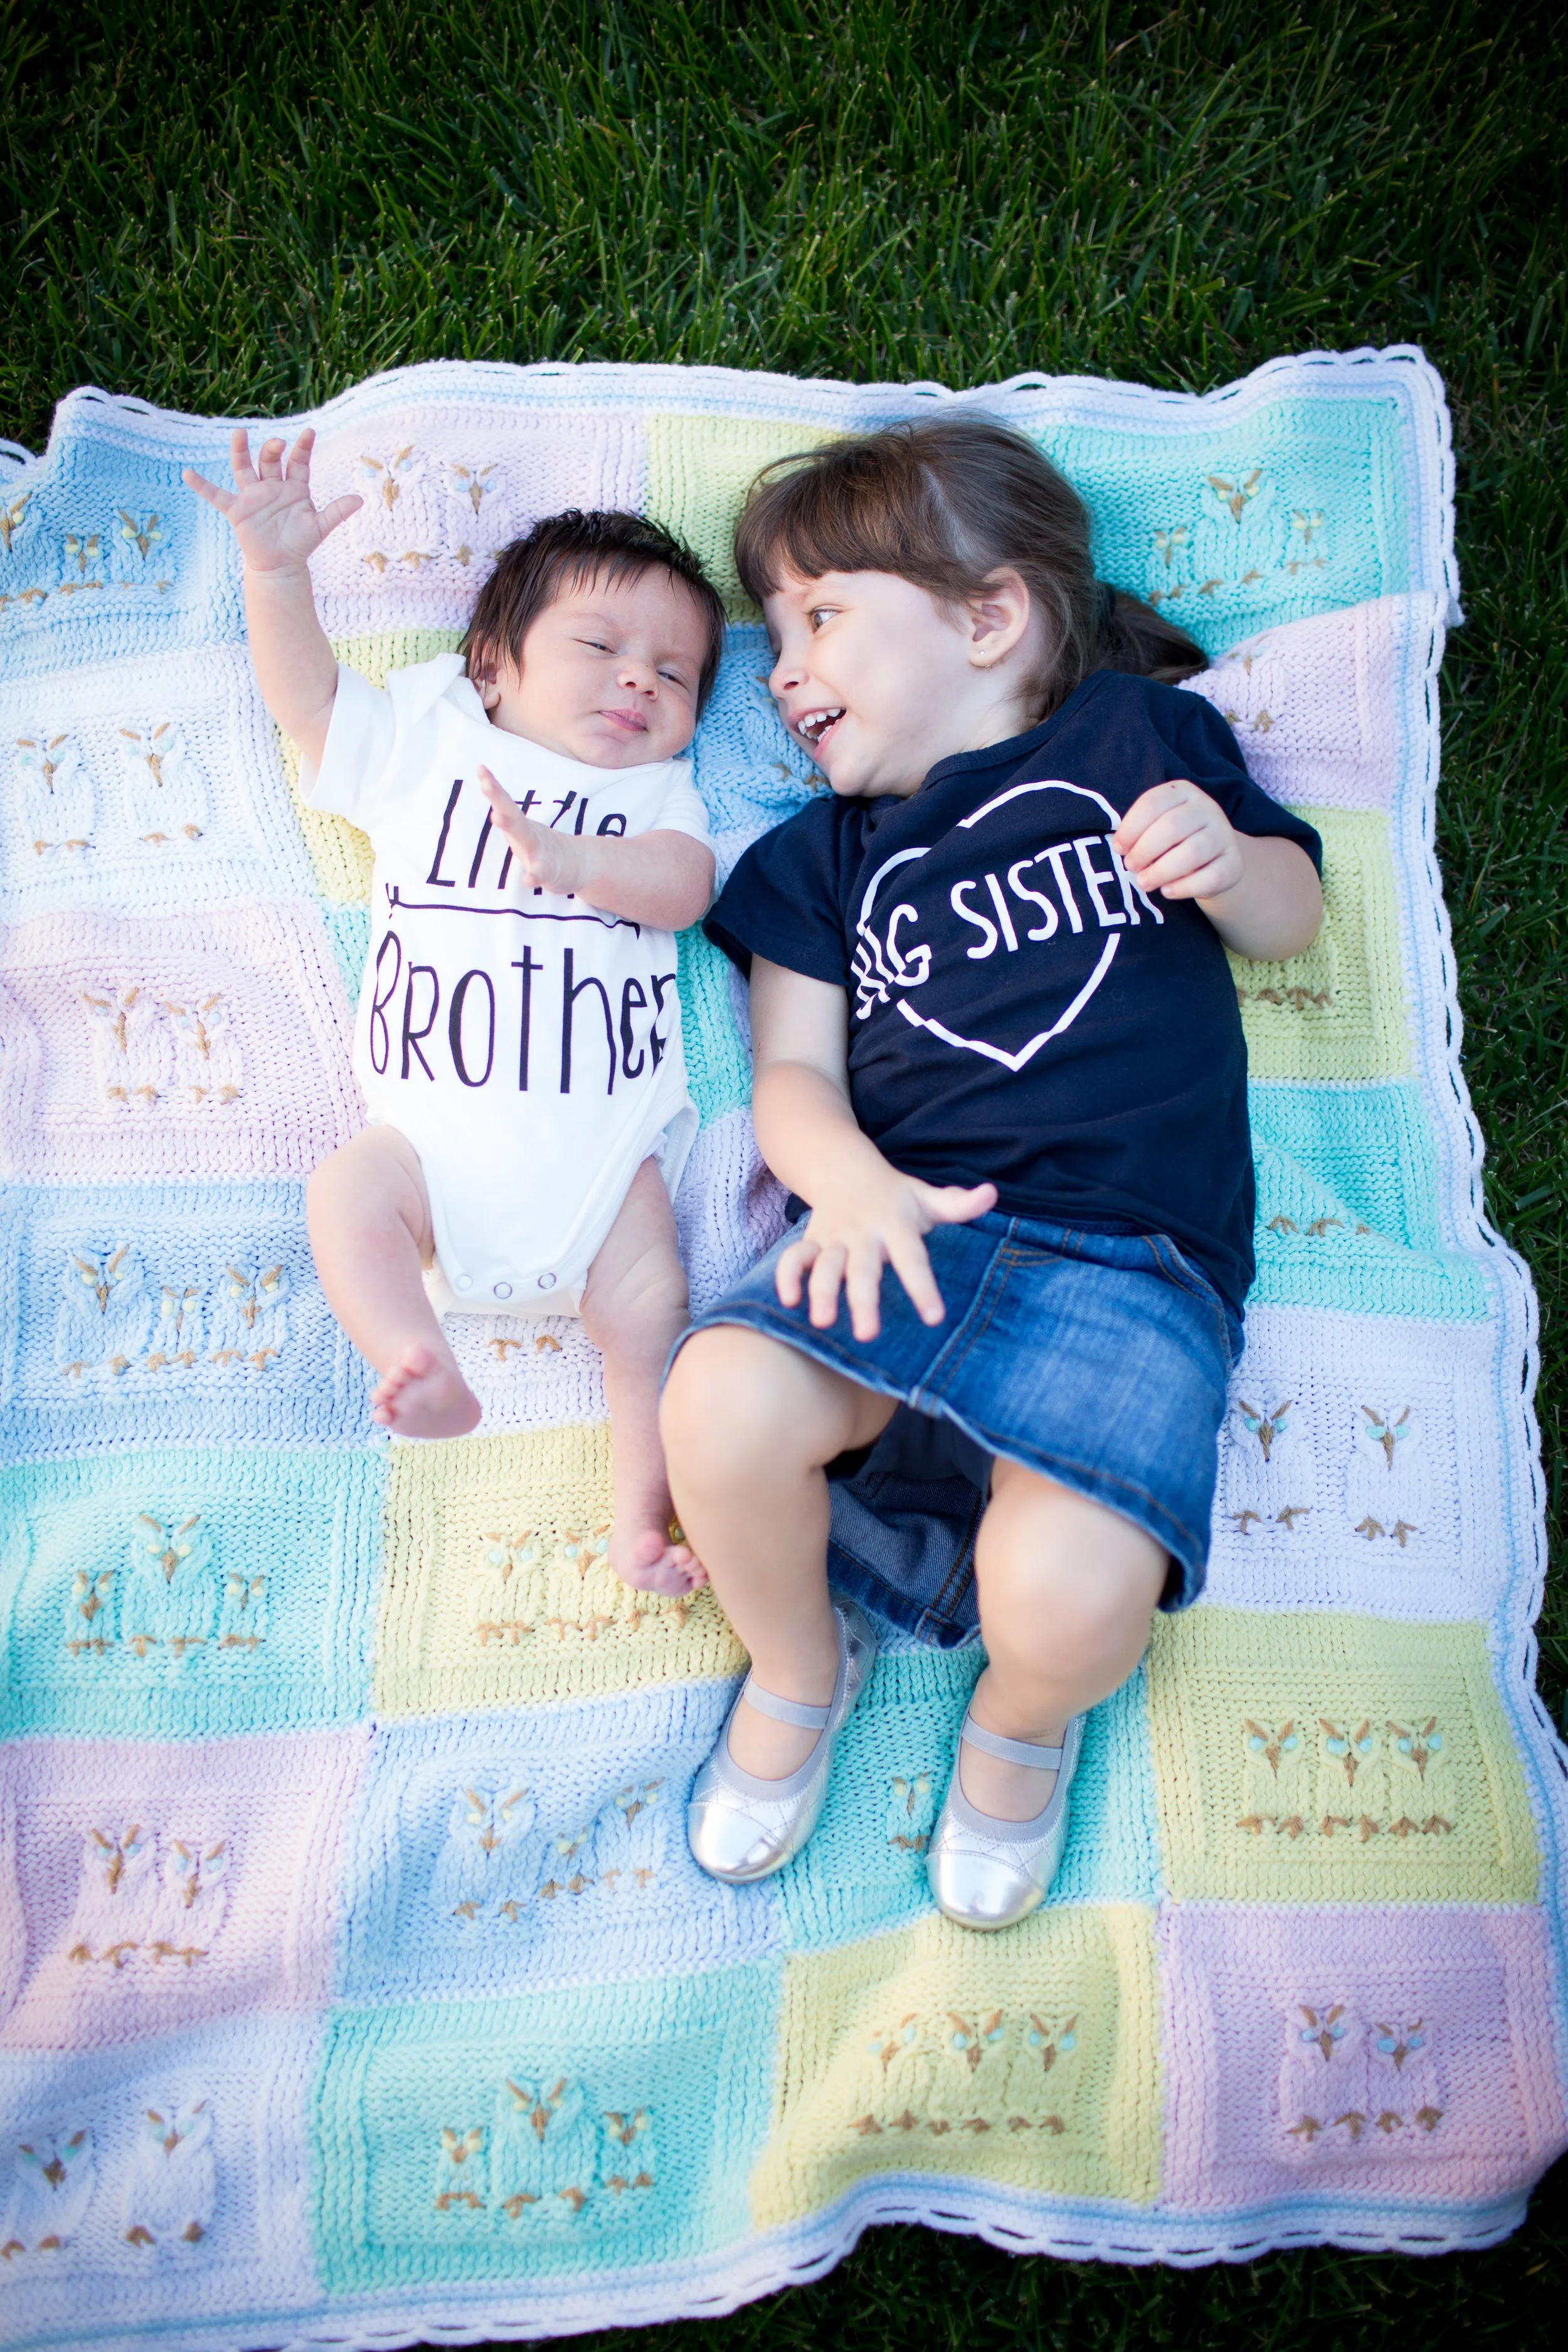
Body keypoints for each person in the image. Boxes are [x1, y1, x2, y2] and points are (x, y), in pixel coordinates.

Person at [659, 413, 1324, 1923]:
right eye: (773, 633)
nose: (780, 669)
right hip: (904, 1231)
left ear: (986, 617)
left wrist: (1227, 859)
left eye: (821, 616)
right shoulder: (818, 863)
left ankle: (1021, 1727)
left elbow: (1288, 915)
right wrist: (847, 1185)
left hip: (1127, 1266)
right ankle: (795, 1664)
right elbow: (790, 1078)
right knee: (719, 1402)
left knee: (1071, 1596)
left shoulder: (1136, 746)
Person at [184, 432, 723, 1595]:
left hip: (602, 1161)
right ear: (490, 667)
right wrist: (276, 572)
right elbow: (311, 702)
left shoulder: (653, 793)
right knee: (347, 1190)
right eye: (601, 646)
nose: (640, 679)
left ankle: (642, 1516)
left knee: (650, 1311)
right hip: (430, 1150)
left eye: (676, 675)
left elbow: (686, 889)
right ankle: (414, 1355)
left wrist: (577, 860)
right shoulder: (428, 743)